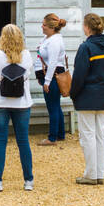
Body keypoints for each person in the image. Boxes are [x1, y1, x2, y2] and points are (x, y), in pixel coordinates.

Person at [0, 24, 35, 192]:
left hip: (0, 101)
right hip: (22, 102)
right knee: (23, 141)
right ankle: (28, 180)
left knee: (0, 140)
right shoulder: (26, 55)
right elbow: (28, 72)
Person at [70, 12, 104, 185]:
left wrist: (73, 93)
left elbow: (79, 75)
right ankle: (99, 173)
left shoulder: (85, 48)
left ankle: (91, 174)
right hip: (103, 95)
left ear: (87, 27)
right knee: (100, 135)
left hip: (87, 96)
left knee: (87, 135)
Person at [36, 13, 70, 146]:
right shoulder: (48, 38)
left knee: (52, 107)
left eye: (44, 24)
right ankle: (60, 134)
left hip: (53, 76)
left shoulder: (55, 41)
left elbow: (53, 63)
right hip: (49, 75)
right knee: (56, 105)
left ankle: (52, 137)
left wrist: (47, 81)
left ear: (51, 27)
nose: (42, 26)